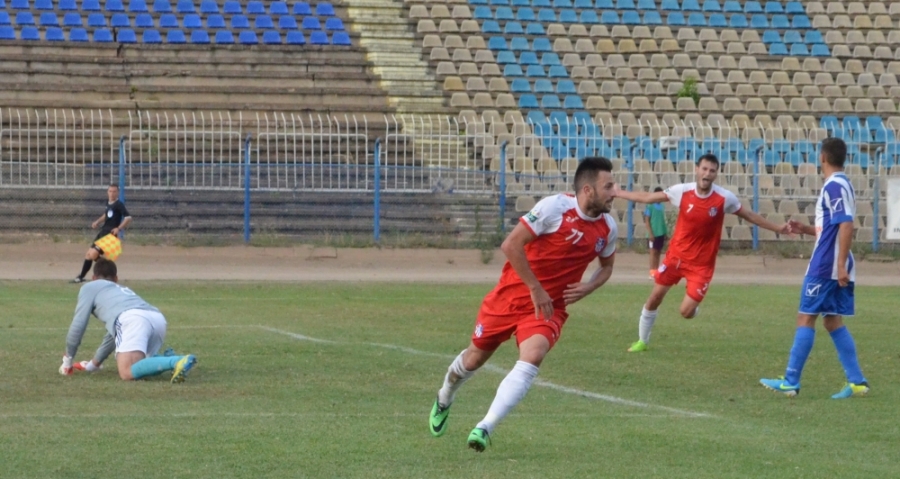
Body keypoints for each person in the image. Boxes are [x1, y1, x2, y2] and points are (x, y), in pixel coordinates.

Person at [428, 157, 619, 452]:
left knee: (534, 354)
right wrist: (535, 287)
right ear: (588, 189)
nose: (615, 191)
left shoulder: (608, 227)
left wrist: (588, 287)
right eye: (608, 186)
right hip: (509, 298)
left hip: (548, 308)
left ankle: (484, 427)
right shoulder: (554, 208)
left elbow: (606, 267)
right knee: (472, 361)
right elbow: (511, 245)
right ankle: (444, 396)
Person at [615, 153, 791, 353]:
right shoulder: (682, 191)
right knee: (654, 297)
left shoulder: (724, 198)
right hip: (676, 257)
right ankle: (642, 341)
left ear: (716, 174)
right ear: (696, 169)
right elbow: (648, 197)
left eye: (712, 170)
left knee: (686, 312)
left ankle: (693, 306)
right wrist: (619, 193)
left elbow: (749, 215)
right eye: (704, 169)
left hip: (701, 265)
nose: (707, 174)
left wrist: (778, 228)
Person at [760, 138, 868, 399]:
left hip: (826, 266)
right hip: (834, 262)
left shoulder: (833, 186)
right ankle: (857, 382)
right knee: (832, 321)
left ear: (822, 157)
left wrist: (839, 264)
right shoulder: (843, 184)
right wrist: (807, 229)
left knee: (805, 317)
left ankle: (790, 381)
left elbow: (846, 225)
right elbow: (833, 226)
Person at [59, 258, 197, 383]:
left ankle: (176, 361)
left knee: (126, 372)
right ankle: (167, 358)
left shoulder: (89, 287)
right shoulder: (121, 289)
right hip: (157, 318)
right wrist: (93, 365)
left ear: (94, 278)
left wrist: (68, 360)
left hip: (134, 320)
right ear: (116, 278)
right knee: (141, 369)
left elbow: (78, 324)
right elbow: (116, 335)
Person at [71, 184, 132, 284]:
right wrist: (97, 221)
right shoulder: (108, 203)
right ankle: (81, 277)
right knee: (89, 254)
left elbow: (128, 218)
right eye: (110, 191)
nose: (112, 193)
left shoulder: (119, 204)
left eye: (114, 191)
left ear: (117, 193)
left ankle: (108, 272)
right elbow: (106, 214)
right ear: (107, 192)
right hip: (103, 232)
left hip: (110, 235)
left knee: (94, 254)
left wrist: (119, 228)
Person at [643, 186, 668, 279]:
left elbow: (662, 220)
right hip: (653, 233)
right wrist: (650, 233)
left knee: (658, 252)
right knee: (652, 252)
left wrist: (665, 232)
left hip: (660, 233)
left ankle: (656, 271)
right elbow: (647, 220)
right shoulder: (650, 206)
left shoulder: (662, 206)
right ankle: (651, 272)